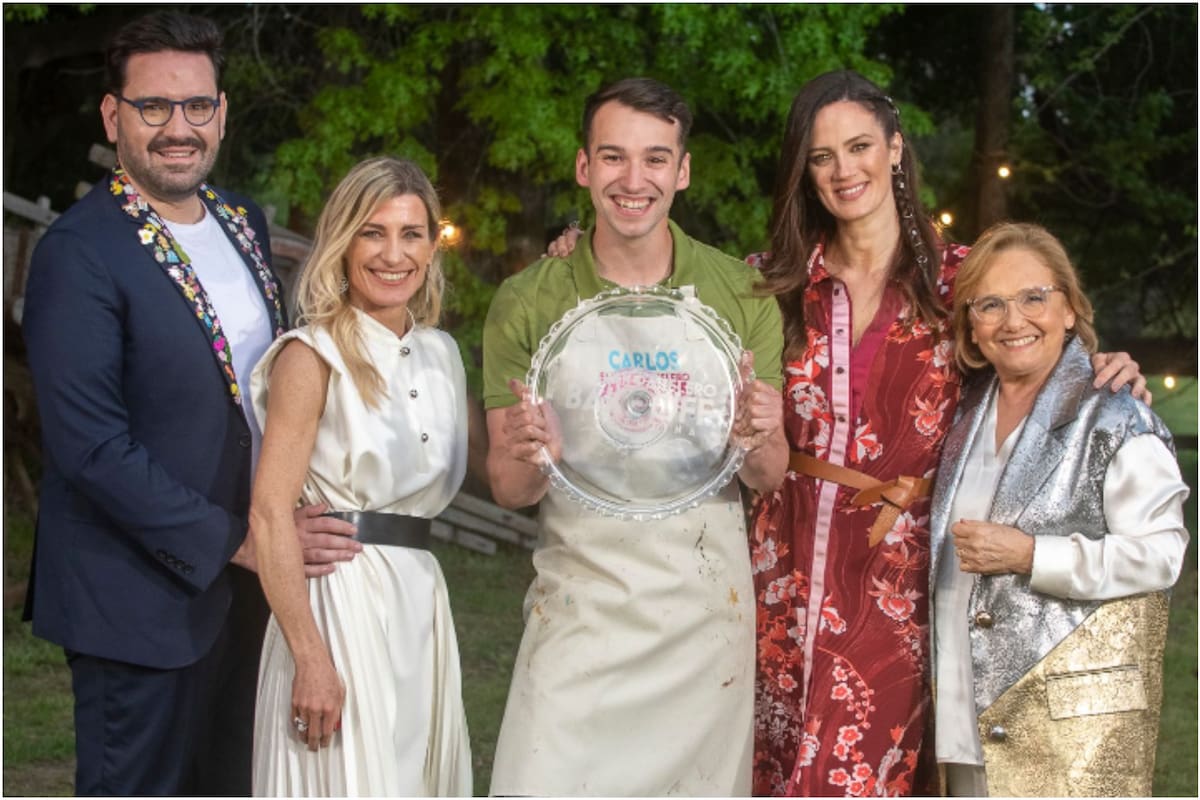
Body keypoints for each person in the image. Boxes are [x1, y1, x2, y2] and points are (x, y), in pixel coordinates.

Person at [735, 70, 1148, 796]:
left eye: (859, 146)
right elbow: (665, 300)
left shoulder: (963, 279)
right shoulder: (770, 281)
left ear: (895, 149)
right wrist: (572, 252)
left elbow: (1042, 351)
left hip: (902, 585)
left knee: (854, 777)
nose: (843, 170)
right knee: (761, 771)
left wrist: (1101, 367)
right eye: (821, 156)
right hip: (776, 571)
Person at [20, 12, 357, 795]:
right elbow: (90, 448)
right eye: (154, 107)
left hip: (251, 594)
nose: (180, 127)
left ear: (222, 111)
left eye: (197, 106)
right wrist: (240, 539)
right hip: (136, 598)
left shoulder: (242, 222)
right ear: (114, 115)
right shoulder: (80, 251)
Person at [483, 77, 787, 796]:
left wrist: (757, 434)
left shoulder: (741, 295)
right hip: (579, 612)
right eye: (613, 157)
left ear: (682, 172)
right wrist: (537, 454)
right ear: (585, 168)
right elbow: (508, 487)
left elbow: (767, 476)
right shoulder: (528, 299)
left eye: (655, 159)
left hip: (703, 619)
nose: (633, 180)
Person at [928, 222, 1188, 796]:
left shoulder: (1116, 415)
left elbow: (1162, 555)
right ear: (972, 324)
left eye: (1033, 298)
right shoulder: (964, 413)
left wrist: (1031, 555)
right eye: (990, 304)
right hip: (963, 723)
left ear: (1069, 308)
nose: (1013, 320)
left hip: (1067, 732)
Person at [248, 157, 472, 796]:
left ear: (432, 247)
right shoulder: (309, 354)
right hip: (338, 601)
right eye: (373, 232)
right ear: (343, 242)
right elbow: (268, 515)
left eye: (411, 234)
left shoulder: (442, 354)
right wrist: (309, 657)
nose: (392, 254)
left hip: (420, 600)